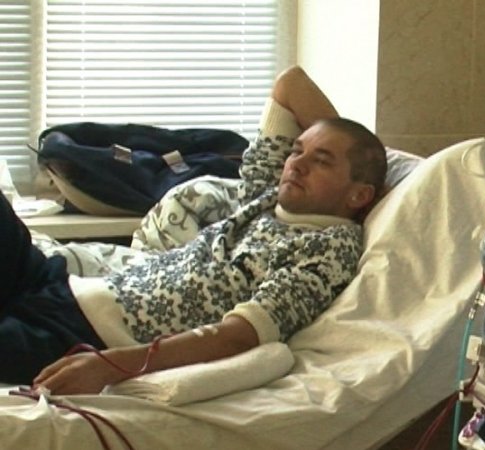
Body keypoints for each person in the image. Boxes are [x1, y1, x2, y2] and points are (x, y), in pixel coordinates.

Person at [0, 66, 387, 395]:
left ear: (360, 194)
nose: (297, 165)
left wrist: (111, 365)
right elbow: (290, 84)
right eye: (297, 151)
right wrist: (340, 143)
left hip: (81, 335)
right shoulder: (267, 195)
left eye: (322, 161)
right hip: (59, 281)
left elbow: (238, 335)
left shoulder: (328, 249)